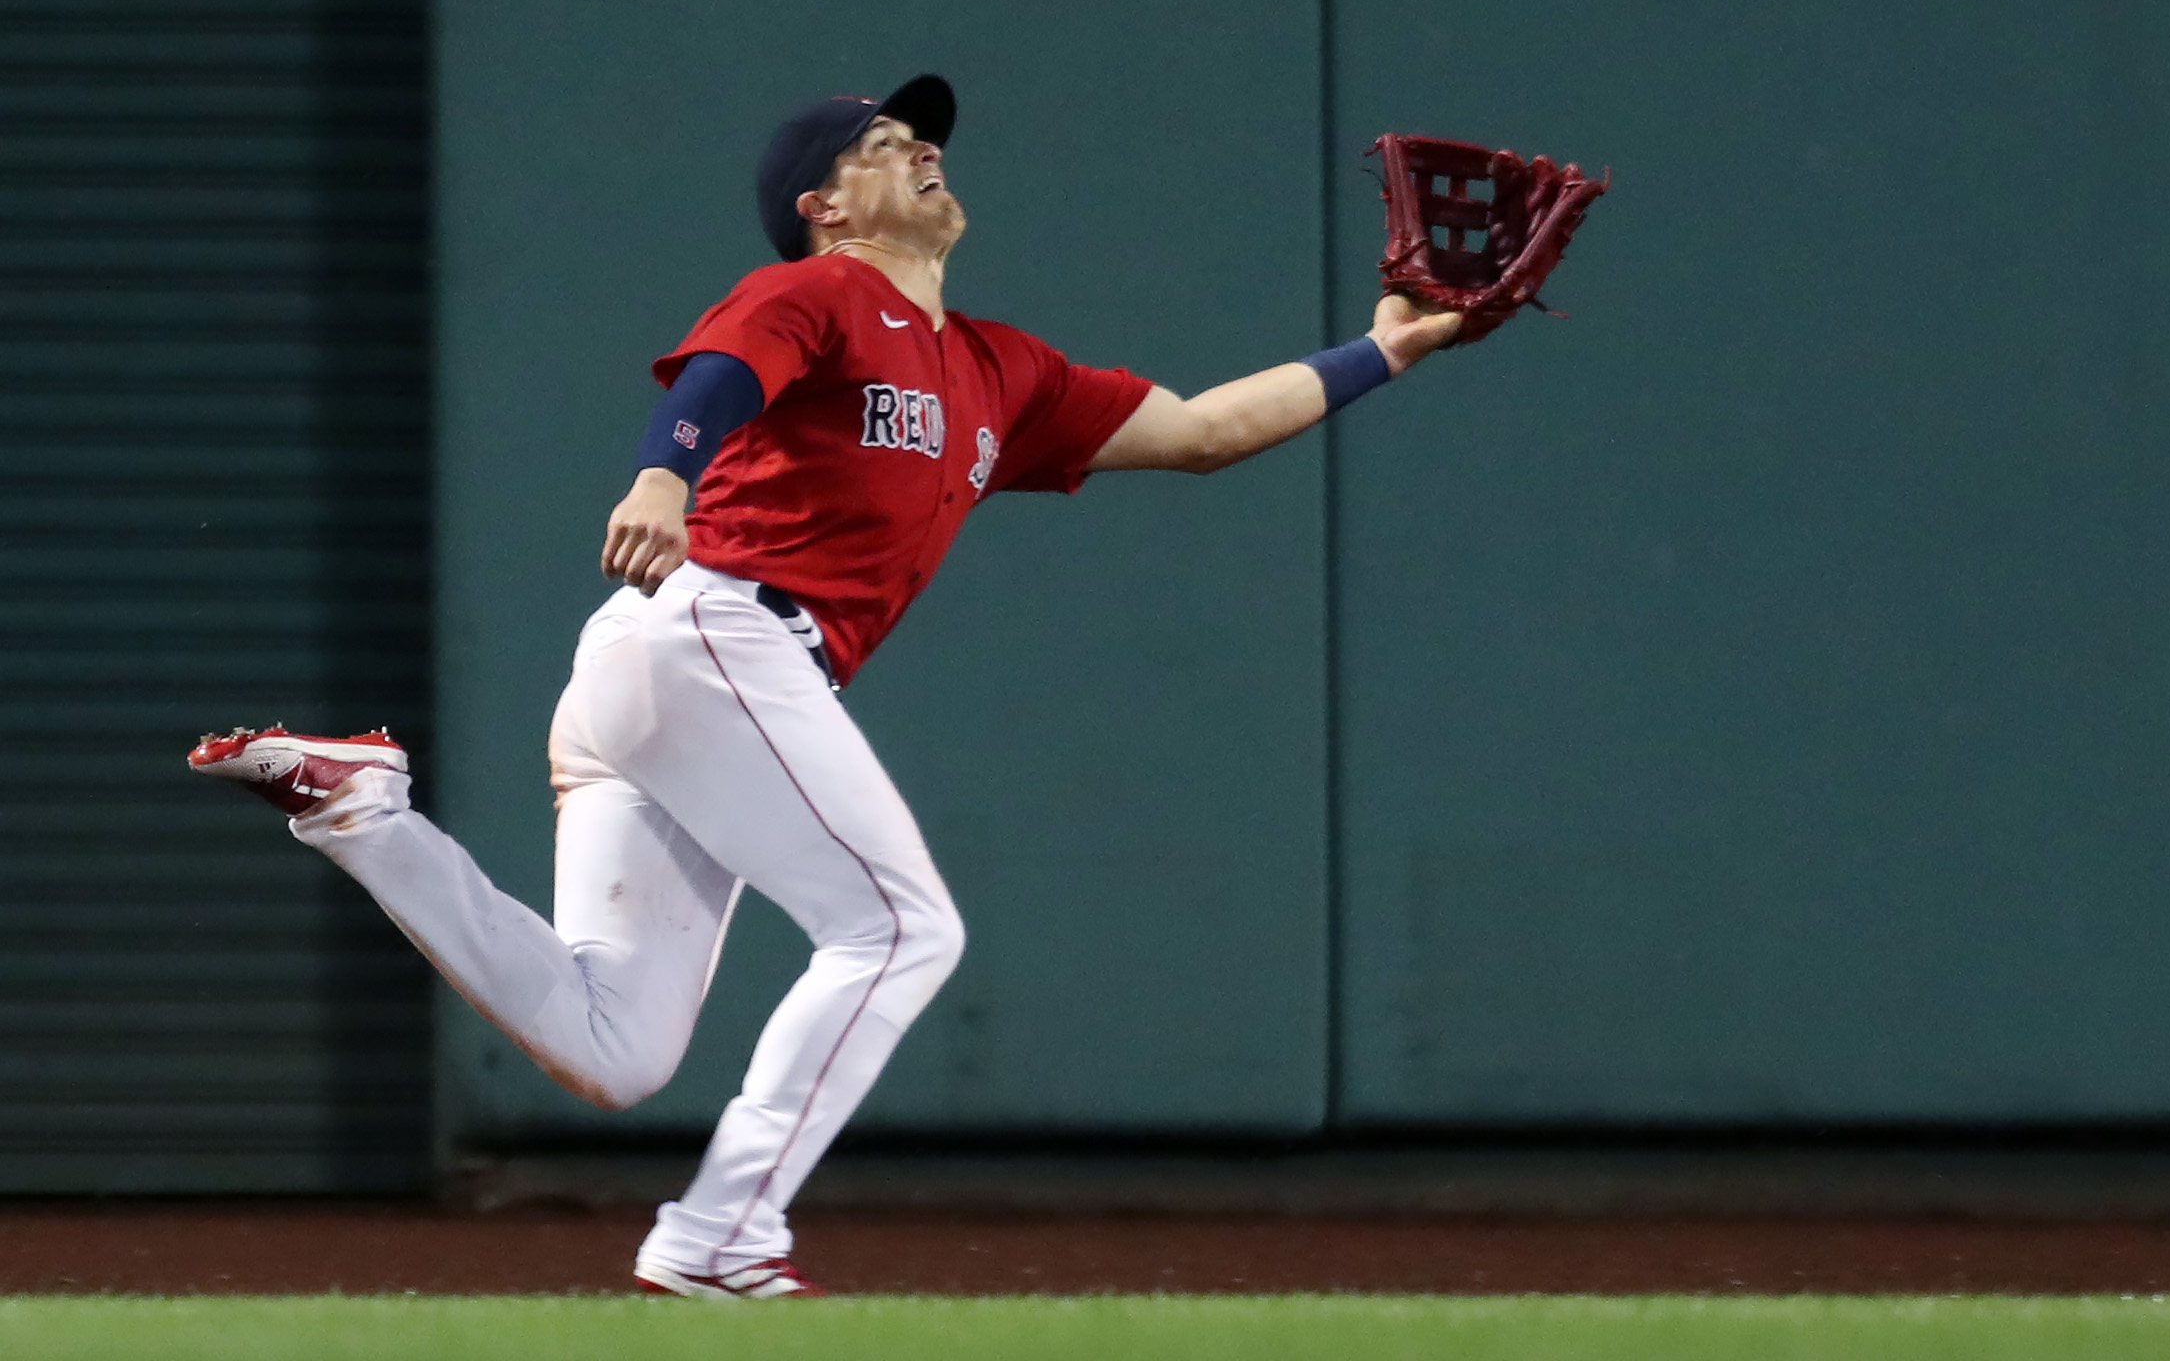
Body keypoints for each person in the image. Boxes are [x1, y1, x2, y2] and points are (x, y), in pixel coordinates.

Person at [189, 74, 1463, 1297]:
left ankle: (361, 811)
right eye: (884, 140)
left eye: (926, 135)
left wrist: (1385, 350)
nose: (923, 148)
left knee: (615, 1048)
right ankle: (719, 1235)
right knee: (903, 929)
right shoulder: (820, 292)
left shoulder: (999, 370)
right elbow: (719, 378)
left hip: (680, 677)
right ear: (825, 201)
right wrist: (661, 478)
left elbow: (1199, 433)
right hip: (716, 635)